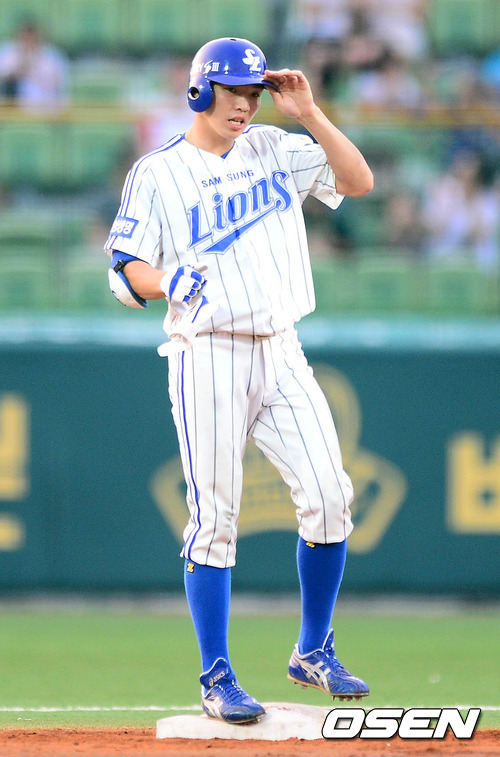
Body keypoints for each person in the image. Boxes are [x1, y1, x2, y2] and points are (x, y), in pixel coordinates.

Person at [104, 36, 373, 725]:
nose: (245, 105)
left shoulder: (275, 147)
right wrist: (167, 280)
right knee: (215, 519)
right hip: (209, 353)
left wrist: (309, 113)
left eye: (254, 93)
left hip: (282, 348)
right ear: (201, 90)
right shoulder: (158, 171)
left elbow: (357, 181)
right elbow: (125, 266)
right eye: (233, 91)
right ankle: (216, 673)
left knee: (330, 497)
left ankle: (313, 647)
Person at [0, 19, 69, 109]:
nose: (28, 41)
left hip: (45, 107)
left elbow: (56, 84)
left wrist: (33, 66)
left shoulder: (52, 56)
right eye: (25, 38)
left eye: (32, 38)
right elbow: (4, 75)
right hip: (11, 109)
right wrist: (19, 69)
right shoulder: (8, 52)